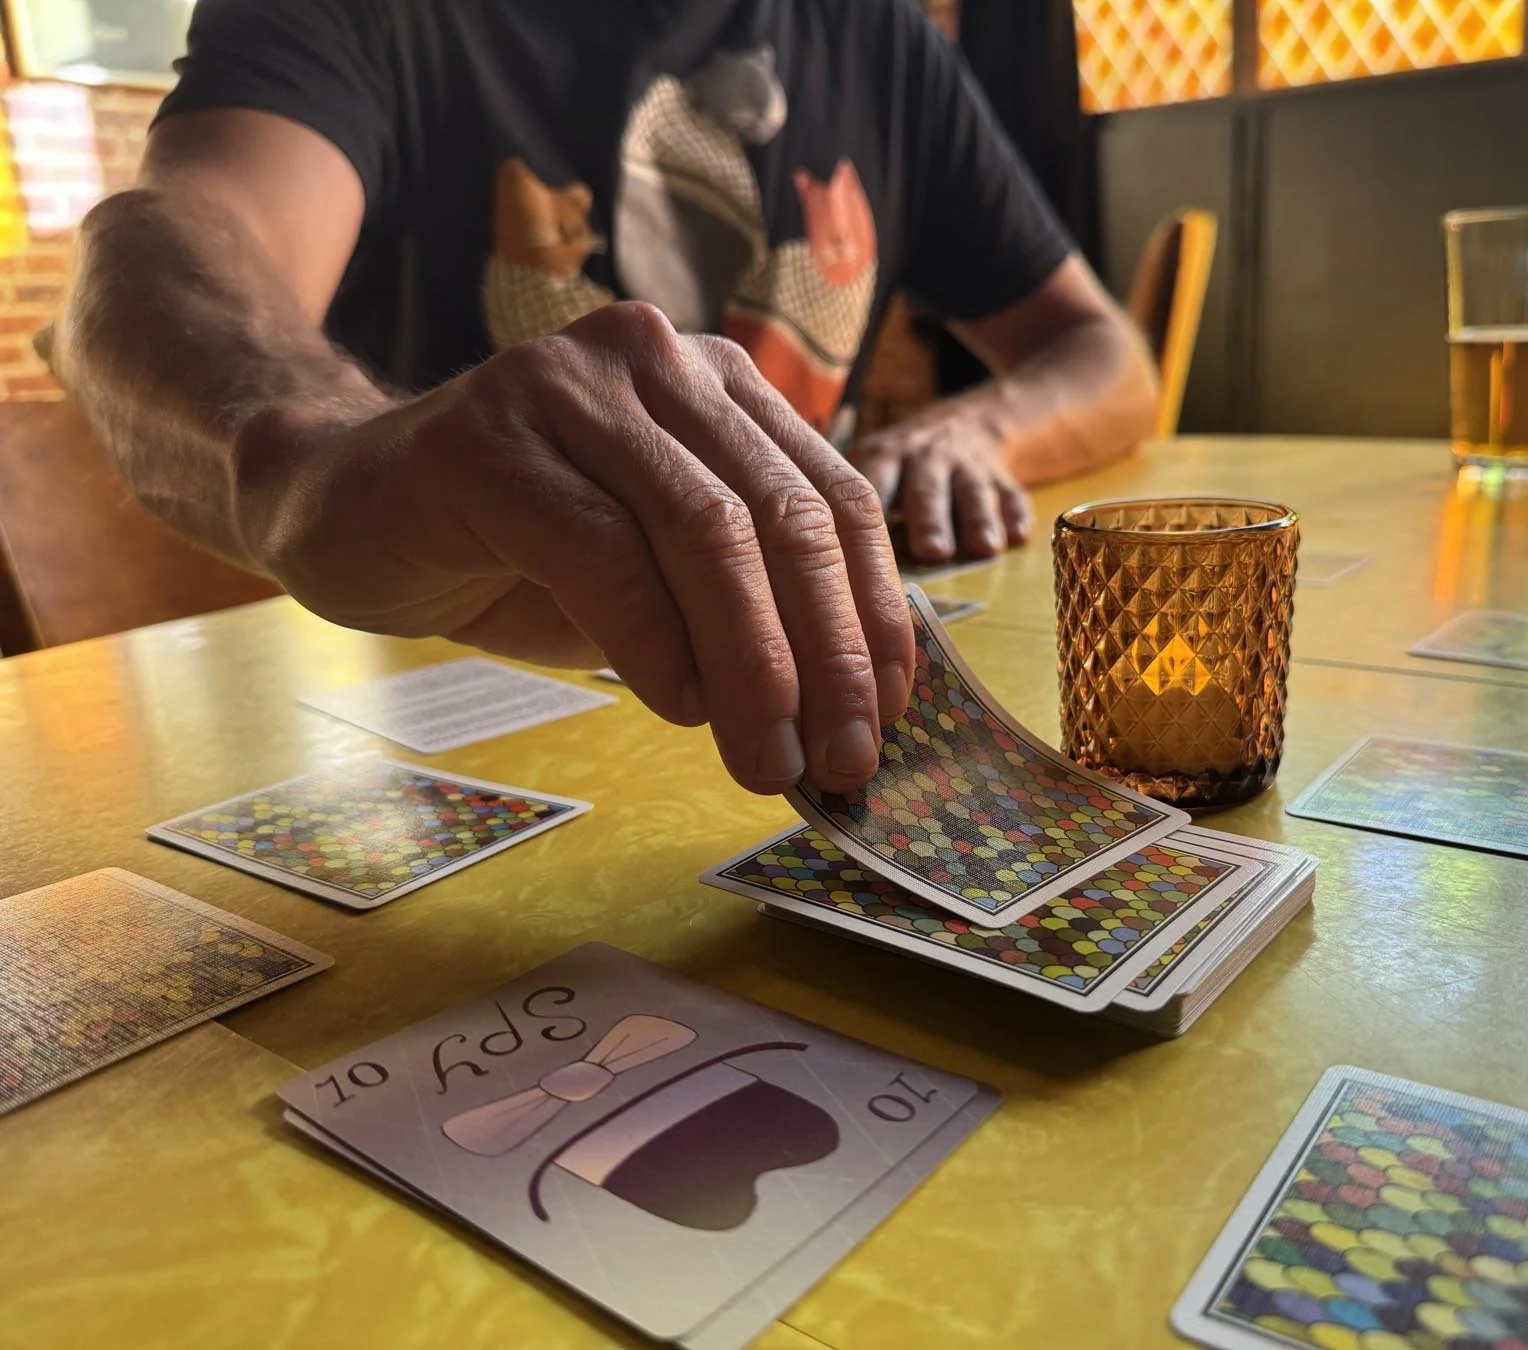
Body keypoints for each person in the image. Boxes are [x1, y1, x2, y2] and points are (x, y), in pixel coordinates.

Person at [50, 0, 1157, 798]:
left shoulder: (883, 37)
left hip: (787, 694)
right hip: (431, 730)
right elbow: (150, 256)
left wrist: (979, 422)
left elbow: (1105, 354)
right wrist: (311, 453)